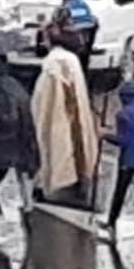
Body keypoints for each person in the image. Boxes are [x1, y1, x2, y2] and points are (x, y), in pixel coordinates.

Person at [30, 39, 98, 205]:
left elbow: (42, 105)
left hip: (60, 120)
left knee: (57, 148)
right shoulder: (68, 63)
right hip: (65, 119)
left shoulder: (54, 66)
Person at [0, 62, 38, 214]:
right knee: (22, 172)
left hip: (0, 143)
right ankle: (28, 203)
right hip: (20, 139)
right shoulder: (19, 90)